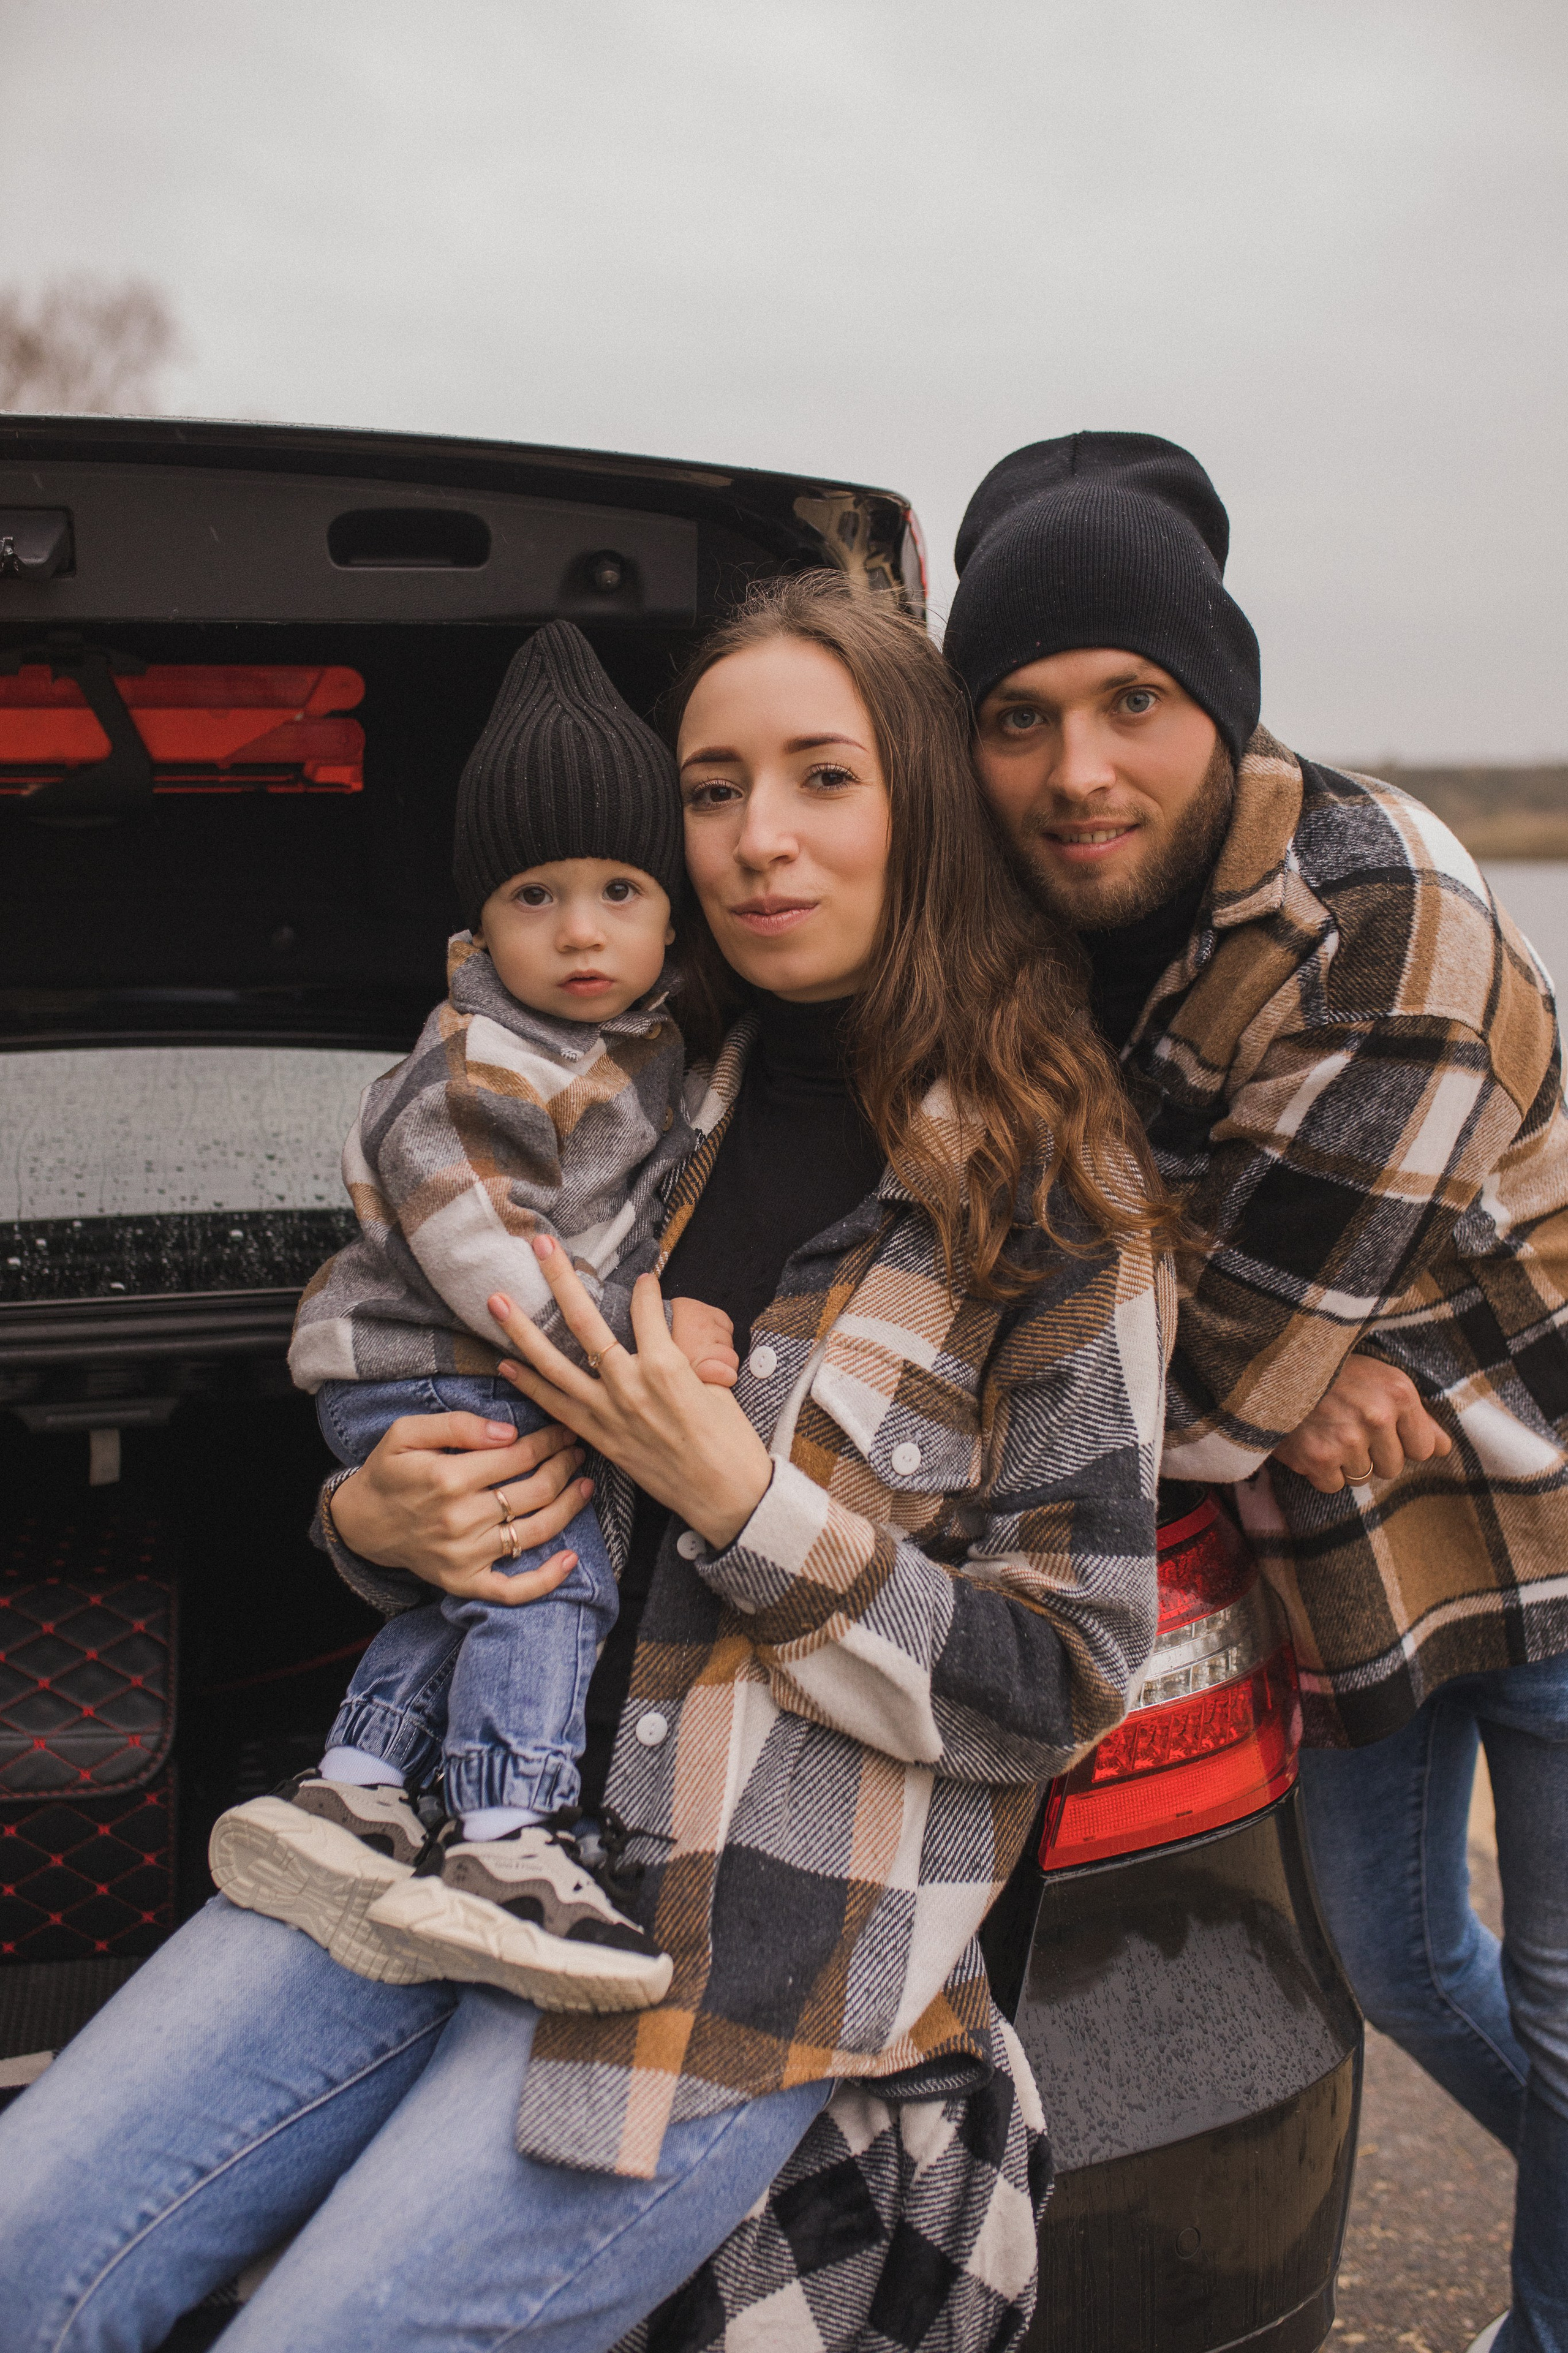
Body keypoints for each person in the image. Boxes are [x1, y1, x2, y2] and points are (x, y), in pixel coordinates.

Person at [0, 573, 1169, 2353]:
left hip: (726, 1952)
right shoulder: (612, 1084)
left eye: (821, 779)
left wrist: (744, 1502)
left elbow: (1062, 1672)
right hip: (431, 1847)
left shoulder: (1054, 1200)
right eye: (712, 789)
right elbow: (420, 1366)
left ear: (921, 804)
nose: (758, 840)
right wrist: (373, 1524)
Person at [946, 429, 1568, 2353]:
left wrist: (1256, 1364)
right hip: (1354, 1556)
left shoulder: (1386, 916)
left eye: (1133, 702)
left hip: (1541, 1514)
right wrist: (1271, 1367)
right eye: (1021, 715)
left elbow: (1200, 1389)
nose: (1078, 769)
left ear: (1222, 698)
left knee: (1553, 1988)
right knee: (1394, 1958)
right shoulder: (1041, 908)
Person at [211, 619, 741, 2012]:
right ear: (475, 926)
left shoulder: (645, 1044)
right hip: (428, 1359)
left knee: (480, 1578)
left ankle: (360, 1788)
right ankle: (506, 1839)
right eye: (534, 895)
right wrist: (631, 1358)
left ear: (668, 915)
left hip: (493, 1353)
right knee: (550, 1567)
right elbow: (486, 1258)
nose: (580, 930)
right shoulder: (470, 1066)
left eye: (619, 889)